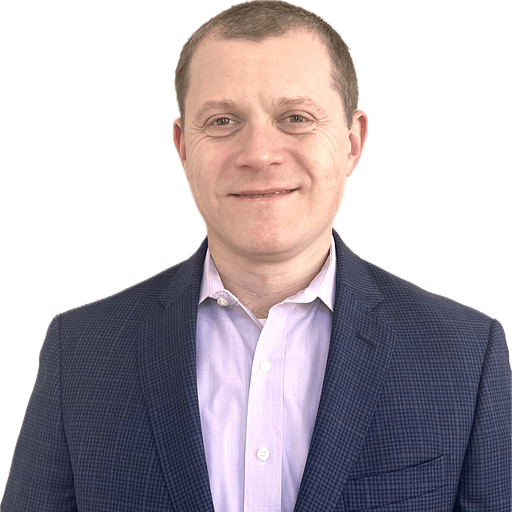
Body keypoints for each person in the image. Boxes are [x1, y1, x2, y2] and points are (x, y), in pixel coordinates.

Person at [2, 1, 510, 510]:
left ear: (352, 143)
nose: (259, 154)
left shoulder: (466, 355)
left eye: (296, 118)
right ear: (183, 146)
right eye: (223, 120)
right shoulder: (81, 352)